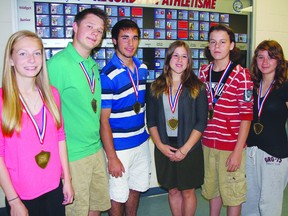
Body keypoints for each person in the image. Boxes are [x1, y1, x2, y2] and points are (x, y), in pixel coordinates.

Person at [0, 30, 74, 216]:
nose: (32, 60)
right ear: (10, 59)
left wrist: (67, 180)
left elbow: (60, 138)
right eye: (23, 53)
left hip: (53, 187)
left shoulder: (52, 94)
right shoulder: (3, 100)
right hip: (21, 194)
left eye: (37, 53)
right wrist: (13, 200)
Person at [47, 8, 110, 216]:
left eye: (100, 30)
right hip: (73, 155)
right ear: (75, 27)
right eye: (89, 26)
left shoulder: (92, 65)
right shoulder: (58, 65)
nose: (94, 33)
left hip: (95, 150)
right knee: (76, 211)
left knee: (96, 207)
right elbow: (48, 116)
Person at [146, 40, 208, 216]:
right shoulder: (155, 87)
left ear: (189, 62)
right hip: (165, 146)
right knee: (172, 190)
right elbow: (151, 121)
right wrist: (160, 145)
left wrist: (185, 149)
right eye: (176, 55)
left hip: (190, 147)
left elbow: (201, 122)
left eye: (184, 57)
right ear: (168, 58)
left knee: (188, 191)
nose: (180, 60)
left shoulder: (197, 87)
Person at [198, 24, 253, 216]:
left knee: (233, 194)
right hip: (208, 143)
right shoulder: (203, 72)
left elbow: (247, 116)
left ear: (231, 45)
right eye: (213, 42)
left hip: (231, 146)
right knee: (212, 189)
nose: (217, 47)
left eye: (223, 42)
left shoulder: (242, 75)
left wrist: (238, 151)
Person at [100, 19, 151, 216]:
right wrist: (111, 157)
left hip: (141, 142)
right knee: (118, 196)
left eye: (134, 38)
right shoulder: (107, 75)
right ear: (114, 41)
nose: (130, 43)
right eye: (125, 38)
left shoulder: (142, 68)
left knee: (136, 190)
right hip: (119, 148)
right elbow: (103, 120)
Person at [242, 40, 288, 216]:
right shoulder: (251, 86)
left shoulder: (285, 86)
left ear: (279, 61)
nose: (265, 62)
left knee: (268, 205)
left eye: (271, 57)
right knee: (249, 203)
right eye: (260, 57)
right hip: (251, 151)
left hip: (274, 154)